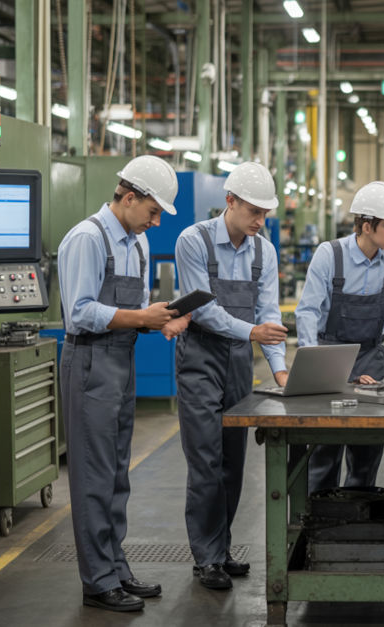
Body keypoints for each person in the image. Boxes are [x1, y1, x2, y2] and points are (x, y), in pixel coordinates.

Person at [57, 155, 180, 612]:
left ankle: (116, 565)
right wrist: (139, 317)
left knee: (115, 474)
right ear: (128, 197)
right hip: (89, 362)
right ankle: (97, 581)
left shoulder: (138, 243)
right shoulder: (87, 239)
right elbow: (80, 312)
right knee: (91, 475)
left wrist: (159, 319)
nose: (154, 222)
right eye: (151, 211)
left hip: (121, 359)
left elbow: (138, 305)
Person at [164, 162, 289, 590]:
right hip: (200, 357)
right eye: (254, 211)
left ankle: (221, 549)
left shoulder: (264, 251)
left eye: (266, 214)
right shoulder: (192, 241)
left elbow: (268, 314)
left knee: (234, 462)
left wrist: (280, 368)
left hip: (238, 361)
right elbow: (204, 311)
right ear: (230, 202)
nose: (260, 221)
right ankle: (206, 558)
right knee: (205, 461)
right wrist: (252, 331)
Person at [295, 181, 384, 491]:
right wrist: (312, 364)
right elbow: (307, 311)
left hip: (370, 358)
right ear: (366, 226)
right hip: (330, 354)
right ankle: (319, 524)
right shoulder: (329, 255)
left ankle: (357, 520)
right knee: (324, 449)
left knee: (367, 445)